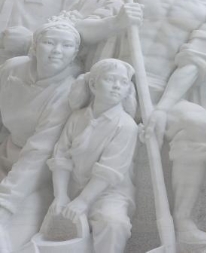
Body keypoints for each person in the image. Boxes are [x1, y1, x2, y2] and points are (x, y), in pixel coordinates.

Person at [76, 0, 206, 244]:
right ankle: (99, 209)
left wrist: (161, 109)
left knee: (199, 124)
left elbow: (193, 64)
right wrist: (116, 22)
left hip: (167, 92)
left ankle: (183, 220)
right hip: (122, 86)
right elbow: (83, 30)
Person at [0, 21, 82, 249]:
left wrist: (5, 205)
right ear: (34, 46)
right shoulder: (11, 69)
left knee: (10, 235)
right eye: (49, 42)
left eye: (66, 46)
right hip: (5, 151)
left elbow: (38, 153)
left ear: (75, 53)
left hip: (35, 175)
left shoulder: (67, 91)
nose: (57, 51)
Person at [46, 59, 138, 253]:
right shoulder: (76, 118)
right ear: (93, 85)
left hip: (109, 193)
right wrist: (60, 195)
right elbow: (61, 159)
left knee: (113, 223)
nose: (117, 86)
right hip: (72, 188)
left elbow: (108, 172)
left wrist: (83, 201)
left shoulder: (126, 125)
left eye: (123, 82)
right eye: (110, 79)